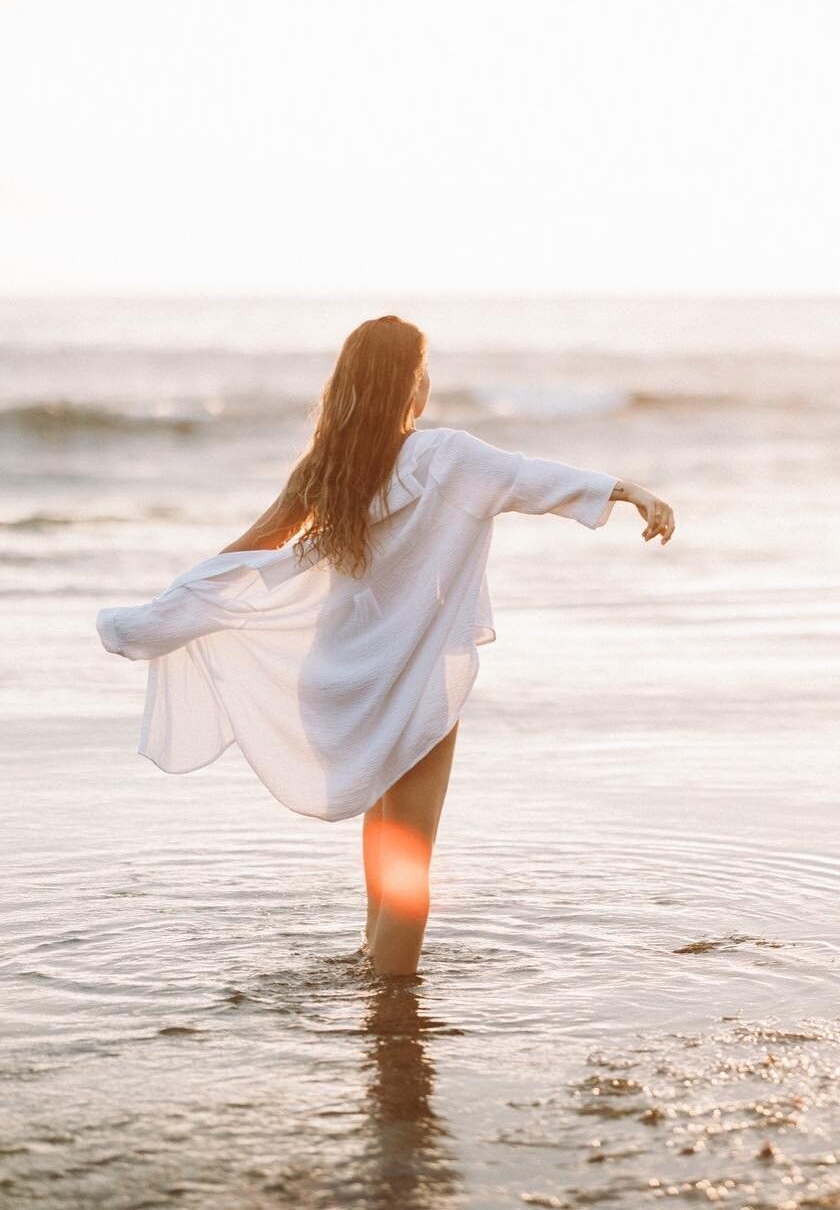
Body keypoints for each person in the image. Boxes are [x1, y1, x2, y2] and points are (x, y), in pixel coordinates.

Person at [96, 314, 675, 976]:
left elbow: (251, 551)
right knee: (412, 851)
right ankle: (393, 999)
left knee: (383, 835)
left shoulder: (328, 467)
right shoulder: (444, 457)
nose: (428, 381)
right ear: (409, 383)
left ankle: (374, 961)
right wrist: (629, 492)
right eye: (423, 369)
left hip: (335, 676)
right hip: (409, 675)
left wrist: (152, 616)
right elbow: (527, 478)